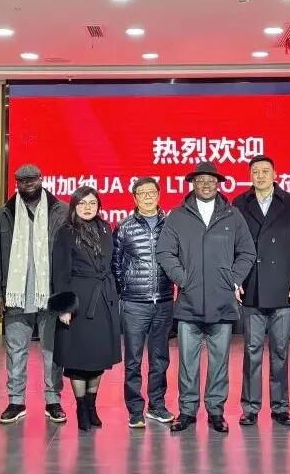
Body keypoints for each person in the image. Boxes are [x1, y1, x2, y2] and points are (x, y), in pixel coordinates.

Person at [157, 161, 256, 433]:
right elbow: (165, 251)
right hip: (188, 303)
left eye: (211, 181)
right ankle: (187, 411)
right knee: (187, 363)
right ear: (192, 184)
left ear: (218, 184)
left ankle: (216, 411)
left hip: (222, 302)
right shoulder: (178, 216)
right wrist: (183, 278)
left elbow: (247, 252)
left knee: (219, 362)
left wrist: (233, 279)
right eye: (200, 180)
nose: (206, 185)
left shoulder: (233, 215)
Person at [232, 155, 290, 427]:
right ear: (250, 175)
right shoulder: (240, 203)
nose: (260, 176)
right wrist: (235, 279)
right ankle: (250, 407)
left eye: (265, 171)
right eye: (255, 171)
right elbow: (233, 246)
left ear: (275, 174)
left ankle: (280, 407)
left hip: (283, 289)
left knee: (280, 351)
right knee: (252, 350)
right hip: (252, 287)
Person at [0, 164, 70, 424]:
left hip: (50, 294)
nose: (28, 184)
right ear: (17, 183)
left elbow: (68, 256)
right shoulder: (3, 214)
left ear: (41, 179)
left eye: (32, 179)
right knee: (16, 350)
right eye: (23, 180)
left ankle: (53, 400)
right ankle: (16, 401)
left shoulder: (61, 210)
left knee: (52, 350)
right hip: (15, 294)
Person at [48, 187, 122, 431]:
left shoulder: (105, 228)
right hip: (78, 299)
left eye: (92, 203)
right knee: (78, 358)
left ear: (99, 206)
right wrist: (64, 307)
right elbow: (60, 272)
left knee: (98, 357)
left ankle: (92, 406)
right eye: (82, 203)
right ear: (74, 206)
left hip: (103, 300)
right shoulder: (66, 232)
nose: (87, 207)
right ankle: (80, 408)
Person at [112, 176, 176, 428]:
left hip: (164, 301)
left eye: (152, 192)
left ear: (159, 195)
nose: (148, 197)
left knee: (160, 359)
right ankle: (135, 409)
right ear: (134, 198)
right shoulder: (124, 227)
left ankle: (157, 406)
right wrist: (125, 291)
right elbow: (116, 264)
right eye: (142, 193)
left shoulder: (170, 225)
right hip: (134, 303)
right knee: (133, 360)